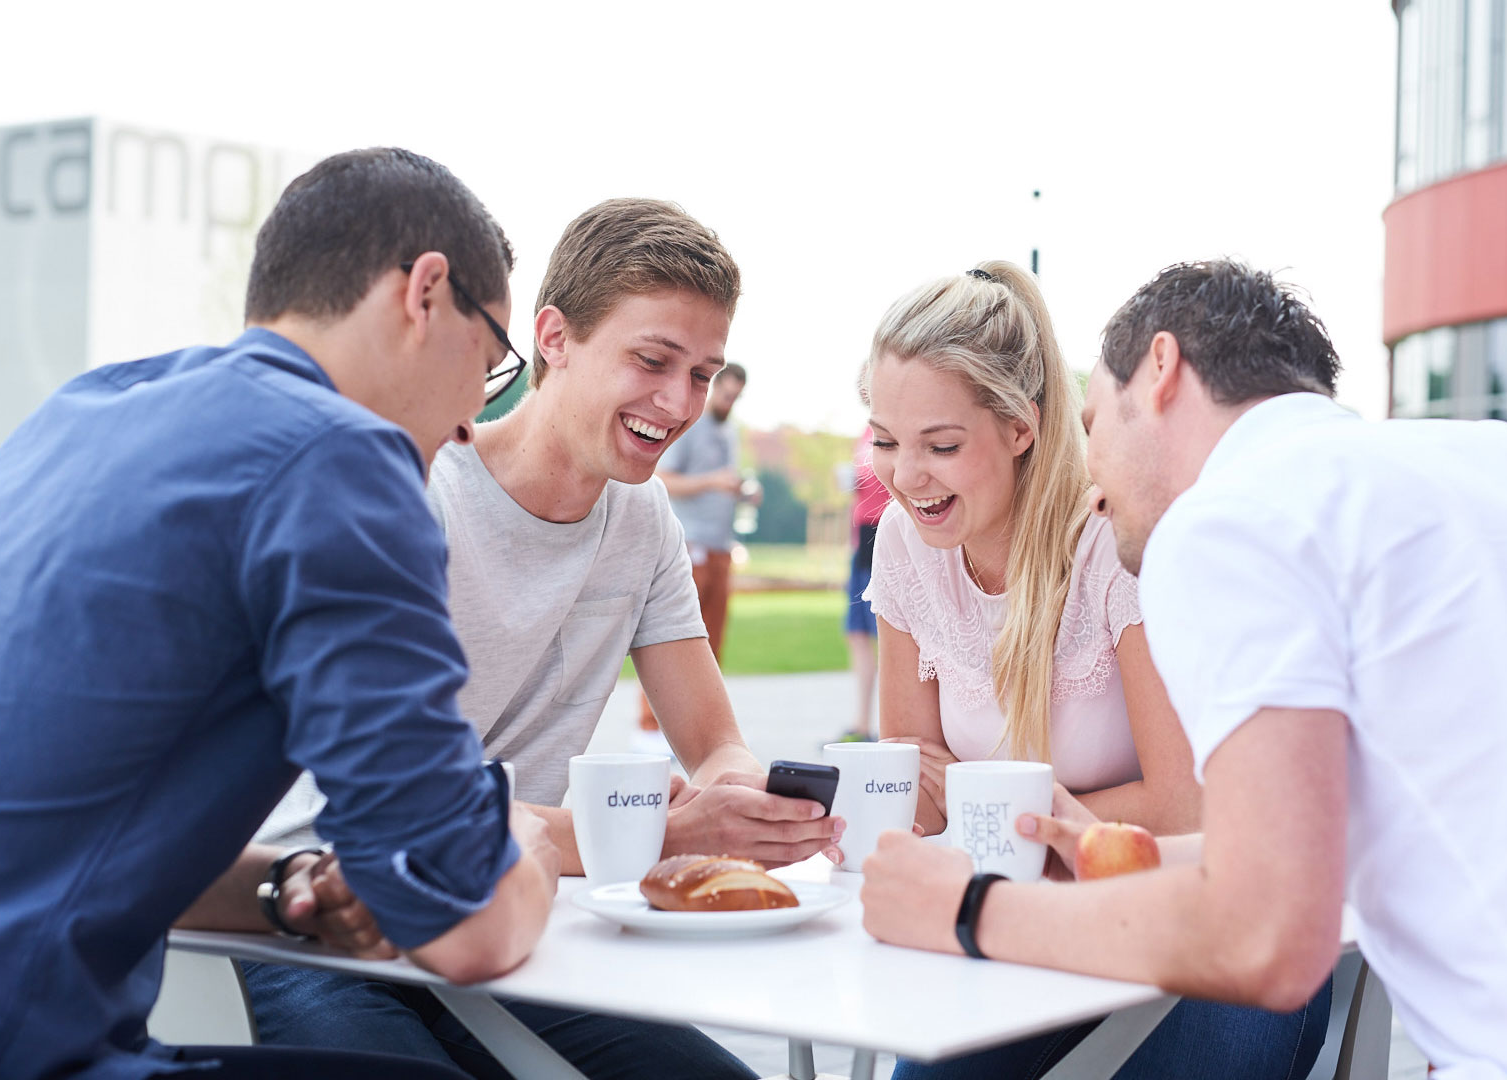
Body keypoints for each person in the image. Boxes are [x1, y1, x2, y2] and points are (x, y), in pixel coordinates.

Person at [859, 260, 1507, 1080]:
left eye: (1094, 420)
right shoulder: (1499, 459)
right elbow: (1361, 830)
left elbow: (1265, 939)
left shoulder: (1230, 523)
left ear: (1160, 372)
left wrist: (973, 909)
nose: (1093, 475)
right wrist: (1127, 853)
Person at [0, 148, 560, 1080]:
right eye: (490, 364)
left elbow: (54, 826)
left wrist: (282, 889)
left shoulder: (83, 412)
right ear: (424, 292)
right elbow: (465, 930)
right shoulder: (339, 462)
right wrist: (522, 842)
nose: (466, 423)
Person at [246, 198, 835, 1080]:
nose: (677, 403)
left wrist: (747, 806)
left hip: (512, 916)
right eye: (651, 360)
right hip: (335, 914)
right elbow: (402, 822)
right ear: (554, 338)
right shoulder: (417, 496)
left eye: (703, 373)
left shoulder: (642, 521)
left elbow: (714, 743)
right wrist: (661, 833)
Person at [845, 262, 1327, 1079]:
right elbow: (913, 789)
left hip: (1175, 905)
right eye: (885, 441)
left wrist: (987, 807)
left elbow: (1181, 804)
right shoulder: (903, 544)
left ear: (1021, 428)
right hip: (1022, 910)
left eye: (942, 445)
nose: (905, 476)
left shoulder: (1116, 537)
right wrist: (988, 818)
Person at [636, 360, 755, 749]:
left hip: (721, 545)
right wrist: (712, 481)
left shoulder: (730, 431)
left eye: (736, 396)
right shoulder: (691, 425)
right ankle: (651, 729)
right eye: (725, 393)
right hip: (688, 544)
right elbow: (662, 477)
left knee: (710, 642)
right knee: (670, 638)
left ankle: (697, 734)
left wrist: (741, 489)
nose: (729, 401)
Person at [839, 426, 892, 741]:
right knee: (857, 633)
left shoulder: (894, 427)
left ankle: (893, 726)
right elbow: (856, 490)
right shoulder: (863, 433)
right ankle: (862, 723)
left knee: (885, 634)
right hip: (862, 539)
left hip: (885, 532)